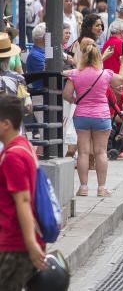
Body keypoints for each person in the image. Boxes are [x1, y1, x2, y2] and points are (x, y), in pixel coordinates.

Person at [63, 37, 123, 197]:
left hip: (82, 115)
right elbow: (122, 78)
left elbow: (66, 94)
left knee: (83, 152)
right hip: (101, 116)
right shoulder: (105, 74)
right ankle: (101, 188)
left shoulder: (76, 74)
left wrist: (75, 101)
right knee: (101, 152)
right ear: (99, 57)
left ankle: (83, 187)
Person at [0, 95, 46, 289]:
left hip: (14, 244)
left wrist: (30, 244)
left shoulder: (13, 156)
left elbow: (23, 200)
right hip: (17, 242)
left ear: (5, 124)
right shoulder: (23, 146)